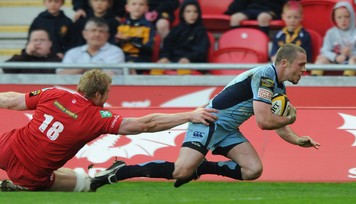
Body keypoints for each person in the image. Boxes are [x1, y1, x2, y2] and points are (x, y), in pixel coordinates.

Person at [90, 43, 320, 192]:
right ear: (284, 63)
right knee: (180, 171)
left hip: (227, 129)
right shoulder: (265, 77)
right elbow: (264, 122)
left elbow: (275, 124)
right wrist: (290, 120)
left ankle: (200, 169)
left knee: (252, 170)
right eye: (302, 65)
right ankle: (120, 171)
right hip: (209, 120)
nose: (304, 70)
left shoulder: (277, 88)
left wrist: (297, 139)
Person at [0, 68, 218, 192]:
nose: (109, 97)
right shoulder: (99, 118)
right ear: (98, 95)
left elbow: (11, 101)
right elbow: (146, 124)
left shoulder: (55, 93)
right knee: (86, 184)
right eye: (108, 92)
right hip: (31, 173)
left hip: (7, 147)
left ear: (80, 87)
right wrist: (190, 115)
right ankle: (19, 186)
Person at [311, 1, 356, 76]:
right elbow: (324, 50)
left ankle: (348, 79)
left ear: (352, 17)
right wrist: (335, 57)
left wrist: (351, 54)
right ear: (334, 19)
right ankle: (315, 79)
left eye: (346, 16)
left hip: (352, 62)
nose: (343, 20)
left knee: (354, 59)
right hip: (334, 61)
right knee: (321, 58)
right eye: (339, 17)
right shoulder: (331, 33)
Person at [154, 0, 210, 75]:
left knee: (183, 71)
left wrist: (188, 58)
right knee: (155, 70)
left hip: (192, 64)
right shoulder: (175, 30)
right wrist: (165, 57)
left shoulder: (201, 31)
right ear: (182, 14)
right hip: (173, 62)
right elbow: (167, 46)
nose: (192, 15)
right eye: (188, 12)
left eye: (195, 12)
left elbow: (201, 51)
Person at [57, 17, 125, 75]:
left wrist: (79, 70)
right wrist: (86, 68)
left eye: (101, 31)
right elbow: (61, 74)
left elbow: (112, 75)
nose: (97, 34)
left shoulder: (116, 52)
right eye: (93, 30)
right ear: (84, 34)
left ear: (107, 35)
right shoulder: (72, 52)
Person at [116, 0, 156, 74]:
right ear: (127, 7)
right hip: (121, 56)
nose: (137, 7)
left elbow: (148, 48)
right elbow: (114, 44)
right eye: (134, 4)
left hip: (140, 58)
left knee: (129, 65)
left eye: (141, 4)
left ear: (146, 8)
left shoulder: (148, 26)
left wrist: (130, 39)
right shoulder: (121, 25)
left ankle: (132, 84)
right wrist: (118, 41)